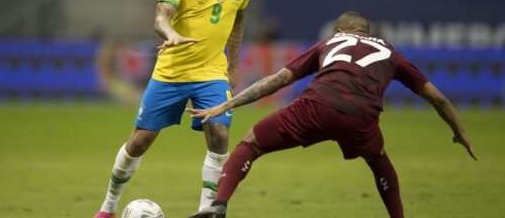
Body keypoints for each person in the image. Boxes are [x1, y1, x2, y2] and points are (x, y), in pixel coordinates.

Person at [187, 11, 476, 218]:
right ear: (368, 33)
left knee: (251, 143)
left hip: (316, 106)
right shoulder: (391, 52)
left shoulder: (329, 43)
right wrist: (460, 132)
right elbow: (438, 98)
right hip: (361, 117)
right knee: (378, 160)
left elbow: (278, 80)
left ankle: (219, 205)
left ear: (339, 32)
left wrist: (227, 104)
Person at [94, 0, 255, 218]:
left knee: (219, 132)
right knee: (139, 142)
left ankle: (208, 211)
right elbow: (161, 15)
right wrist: (171, 34)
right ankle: (108, 207)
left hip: (211, 72)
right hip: (172, 72)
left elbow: (238, 21)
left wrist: (233, 63)